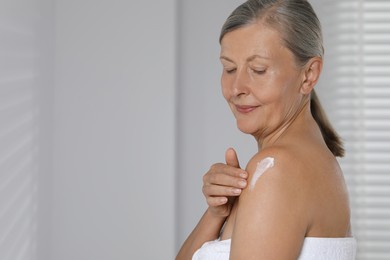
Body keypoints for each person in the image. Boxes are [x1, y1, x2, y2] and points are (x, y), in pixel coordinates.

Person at [176, 0, 357, 259]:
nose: (236, 88)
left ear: (309, 75)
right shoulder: (311, 162)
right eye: (229, 68)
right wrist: (217, 213)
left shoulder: (276, 169)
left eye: (258, 70)